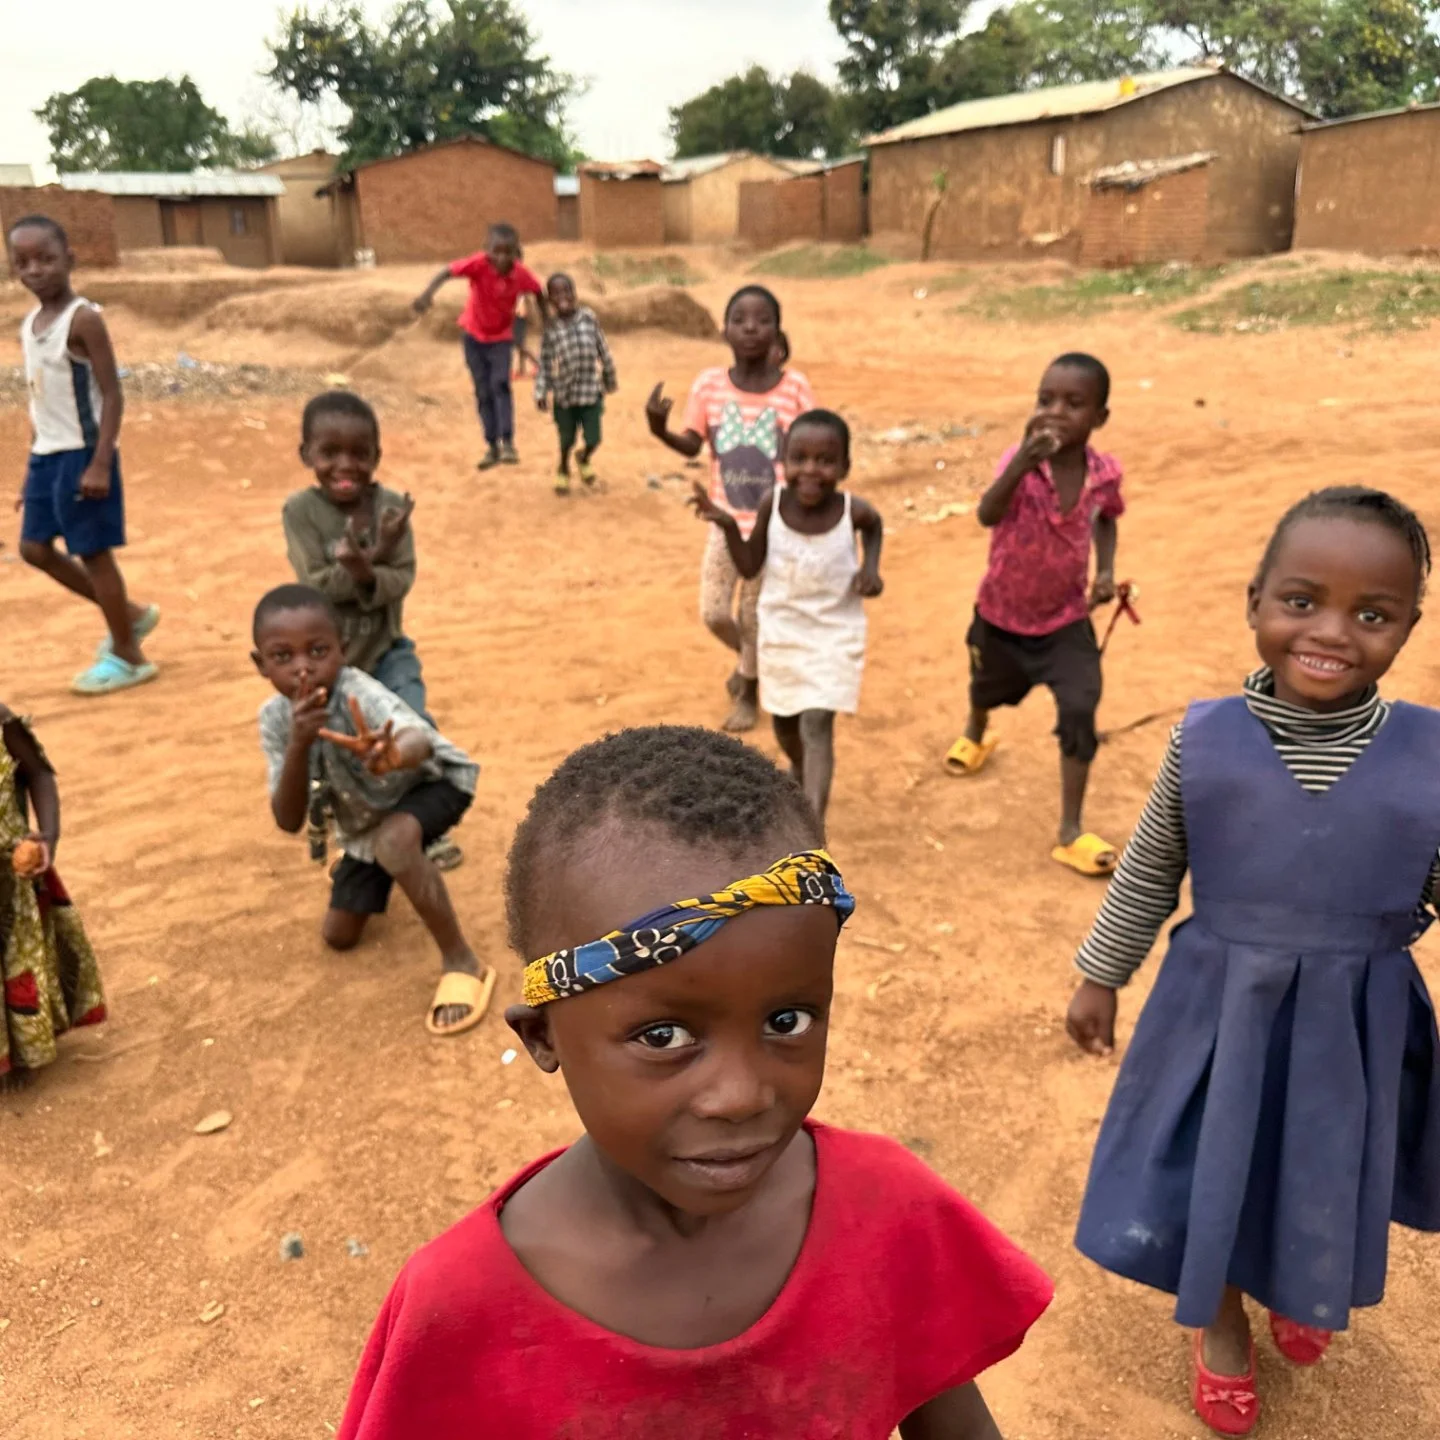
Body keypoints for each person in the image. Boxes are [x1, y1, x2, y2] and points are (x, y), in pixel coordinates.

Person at [335, 725, 1053, 1439]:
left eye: (787, 1020)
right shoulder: (457, 1307)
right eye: (664, 1037)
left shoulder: (889, 1211)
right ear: (542, 1036)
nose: (741, 1095)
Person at [1066, 487, 1440, 1437]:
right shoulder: (1205, 742)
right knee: (1219, 1166)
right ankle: (1222, 1321)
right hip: (1220, 1011)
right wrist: (1101, 973)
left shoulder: (1431, 754)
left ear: (1408, 626)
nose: (1331, 632)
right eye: (1301, 601)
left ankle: (1298, 1281)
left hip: (1357, 1019)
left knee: (1321, 1161)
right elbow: (1150, 868)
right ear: (1255, 602)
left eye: (1372, 614)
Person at [252, 585, 494, 1037]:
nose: (303, 667)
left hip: (432, 783)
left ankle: (461, 960)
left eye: (319, 651)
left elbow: (418, 739)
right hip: (365, 822)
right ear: (260, 664)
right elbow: (288, 819)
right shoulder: (275, 720)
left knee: (396, 843)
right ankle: (378, 862)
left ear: (342, 650)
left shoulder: (357, 691)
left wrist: (392, 754)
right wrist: (300, 744)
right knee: (339, 935)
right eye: (282, 657)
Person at [945, 352, 1123, 877]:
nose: (1055, 412)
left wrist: (1106, 570)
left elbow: (1107, 520)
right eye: (1045, 400)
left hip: (1065, 618)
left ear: (1100, 417)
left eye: (1073, 403)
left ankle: (1070, 829)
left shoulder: (1103, 475)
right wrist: (1022, 461)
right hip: (1000, 613)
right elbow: (986, 514)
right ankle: (977, 731)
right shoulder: (1019, 465)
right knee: (985, 687)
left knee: (1081, 705)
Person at [280, 391, 460, 870]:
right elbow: (315, 585)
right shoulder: (299, 513)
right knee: (332, 749)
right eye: (330, 452)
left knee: (412, 729)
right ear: (306, 455)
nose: (346, 465)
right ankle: (352, 831)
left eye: (360, 454)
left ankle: (427, 825)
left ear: (377, 457)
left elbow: (401, 581)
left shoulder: (393, 507)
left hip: (386, 650)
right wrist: (376, 555)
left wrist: (367, 566)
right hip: (329, 665)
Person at [691, 410, 883, 828]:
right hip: (781, 630)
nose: (810, 470)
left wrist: (871, 568)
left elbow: (874, 525)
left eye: (825, 461)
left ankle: (812, 833)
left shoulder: (853, 511)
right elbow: (748, 566)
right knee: (785, 724)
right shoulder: (772, 504)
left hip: (835, 632)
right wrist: (727, 525)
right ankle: (798, 769)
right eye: (799, 458)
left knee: (817, 722)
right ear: (783, 460)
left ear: (845, 467)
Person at [646, 286, 815, 733]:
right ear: (724, 331)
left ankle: (749, 692)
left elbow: (810, 450)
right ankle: (750, 661)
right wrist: (660, 430)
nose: (751, 328)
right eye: (740, 320)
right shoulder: (710, 386)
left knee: (753, 614)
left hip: (772, 527)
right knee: (714, 612)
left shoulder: (794, 388)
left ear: (778, 331)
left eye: (762, 320)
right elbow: (692, 441)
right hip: (723, 522)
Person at [10, 215, 159, 696]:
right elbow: (40, 399)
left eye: (46, 259)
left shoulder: (84, 319)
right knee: (33, 549)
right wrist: (30, 471)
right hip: (47, 456)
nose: (35, 270)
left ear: (69, 260)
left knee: (94, 555)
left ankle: (129, 654)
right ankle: (129, 617)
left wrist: (100, 462)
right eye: (23, 262)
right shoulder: (30, 324)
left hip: (83, 456)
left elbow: (112, 395)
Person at [0, 704, 106, 1091]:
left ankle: (21, 1055)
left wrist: (46, 837)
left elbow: (39, 773)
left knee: (18, 965)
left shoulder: (1, 722)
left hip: (11, 881)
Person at [411, 222, 545, 471]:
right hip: (473, 338)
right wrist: (427, 294)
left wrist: (548, 323)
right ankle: (491, 446)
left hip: (501, 340)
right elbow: (446, 272)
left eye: (508, 252)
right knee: (483, 392)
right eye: (496, 251)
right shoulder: (478, 265)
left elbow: (538, 292)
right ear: (487, 250)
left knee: (501, 386)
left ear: (516, 252)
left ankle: (508, 443)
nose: (502, 257)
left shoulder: (521, 274)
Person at [535, 273, 618, 496]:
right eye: (556, 294)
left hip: (591, 392)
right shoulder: (551, 329)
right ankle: (563, 466)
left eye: (567, 291)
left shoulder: (589, 317)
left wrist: (610, 376)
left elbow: (603, 348)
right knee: (567, 438)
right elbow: (545, 363)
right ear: (550, 301)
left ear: (575, 294)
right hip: (565, 396)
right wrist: (541, 391)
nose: (563, 297)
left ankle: (584, 457)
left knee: (594, 438)